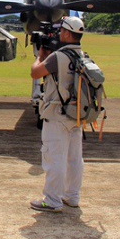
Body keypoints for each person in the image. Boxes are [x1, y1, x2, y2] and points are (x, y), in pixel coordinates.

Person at [29, 16, 86, 212]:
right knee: (74, 158)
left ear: (69, 33)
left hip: (56, 114)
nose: (59, 34)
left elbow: (35, 73)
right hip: (76, 113)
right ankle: (72, 196)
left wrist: (40, 56)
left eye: (62, 31)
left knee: (54, 157)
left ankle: (52, 200)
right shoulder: (82, 56)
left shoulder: (58, 57)